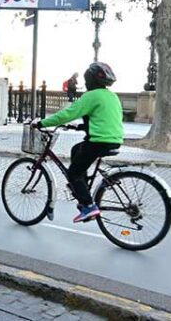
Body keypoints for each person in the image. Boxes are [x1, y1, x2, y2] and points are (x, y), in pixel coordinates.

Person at [36, 62, 123, 223]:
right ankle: (81, 187)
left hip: (98, 141)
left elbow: (67, 114)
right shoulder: (112, 96)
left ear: (90, 80)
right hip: (114, 140)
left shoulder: (91, 96)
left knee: (73, 173)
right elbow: (105, 118)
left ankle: (89, 206)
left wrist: (42, 123)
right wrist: (83, 126)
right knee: (77, 150)